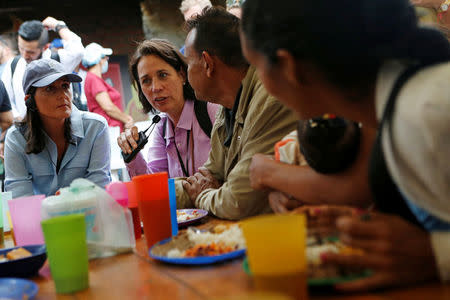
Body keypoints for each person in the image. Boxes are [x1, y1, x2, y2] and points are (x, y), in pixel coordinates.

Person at [240, 0, 450, 290]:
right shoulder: (389, 109)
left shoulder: (428, 112)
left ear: (290, 67)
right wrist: (368, 225)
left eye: (256, 66)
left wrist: (434, 254)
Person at [177, 7, 297, 220]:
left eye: (187, 64)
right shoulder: (226, 108)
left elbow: (237, 201)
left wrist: (204, 195)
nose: (185, 77)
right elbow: (210, 175)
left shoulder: (269, 98)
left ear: (207, 64)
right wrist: (154, 192)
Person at [4, 58, 111, 198]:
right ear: (30, 101)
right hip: (40, 219)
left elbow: (99, 189)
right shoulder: (16, 138)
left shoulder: (96, 128)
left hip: (89, 217)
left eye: (65, 86)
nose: (62, 95)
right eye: (50, 89)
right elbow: (20, 198)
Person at [117, 39, 219, 178]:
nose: (155, 87)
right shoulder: (162, 127)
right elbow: (154, 187)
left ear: (182, 75)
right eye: (146, 81)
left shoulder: (212, 112)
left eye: (163, 75)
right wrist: (132, 154)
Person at [1, 17, 84, 120]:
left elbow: (78, 51)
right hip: (25, 130)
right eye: (21, 48)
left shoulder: (57, 60)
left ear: (44, 47)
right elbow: (7, 98)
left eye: (31, 52)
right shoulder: (13, 64)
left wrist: (58, 25)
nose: (25, 55)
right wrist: (17, 118)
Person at [83, 42, 133, 132]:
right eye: (104, 57)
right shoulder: (94, 79)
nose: (107, 59)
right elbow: (108, 107)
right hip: (109, 130)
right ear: (99, 59)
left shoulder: (93, 79)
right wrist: (127, 119)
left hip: (110, 130)